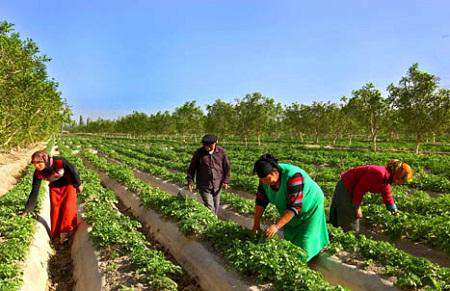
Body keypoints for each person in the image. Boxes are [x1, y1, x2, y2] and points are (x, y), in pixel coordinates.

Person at [252, 154, 329, 264]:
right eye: (262, 180)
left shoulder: (293, 176)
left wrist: (276, 226)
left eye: (267, 179)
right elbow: (260, 203)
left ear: (274, 172)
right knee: (291, 238)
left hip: (311, 206)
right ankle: (297, 262)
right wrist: (256, 224)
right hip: (290, 209)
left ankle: (309, 263)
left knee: (306, 241)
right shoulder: (264, 180)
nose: (265, 182)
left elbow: (294, 207)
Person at [329, 159, 413, 232]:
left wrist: (395, 212)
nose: (401, 184)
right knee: (350, 218)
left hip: (349, 188)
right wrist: (357, 208)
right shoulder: (379, 173)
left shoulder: (386, 179)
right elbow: (359, 189)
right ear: (398, 175)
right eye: (402, 181)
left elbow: (388, 197)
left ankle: (334, 236)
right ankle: (346, 238)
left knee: (341, 215)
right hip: (345, 187)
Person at [23, 150, 82, 243]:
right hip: (54, 188)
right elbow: (35, 191)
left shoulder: (59, 162)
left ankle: (69, 232)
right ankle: (57, 236)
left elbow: (72, 169)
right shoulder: (38, 173)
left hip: (68, 185)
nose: (36, 165)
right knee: (56, 209)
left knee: (68, 208)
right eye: (34, 163)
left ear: (45, 160)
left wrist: (78, 184)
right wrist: (28, 209)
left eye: (39, 162)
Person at [186, 134, 230, 215]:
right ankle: (212, 225)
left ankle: (213, 222)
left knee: (216, 206)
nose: (208, 148)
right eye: (205, 146)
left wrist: (226, 181)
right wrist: (190, 181)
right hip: (204, 185)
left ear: (216, 143)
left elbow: (226, 168)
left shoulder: (221, 152)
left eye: (210, 145)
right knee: (210, 207)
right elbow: (192, 168)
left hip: (217, 185)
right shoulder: (199, 153)